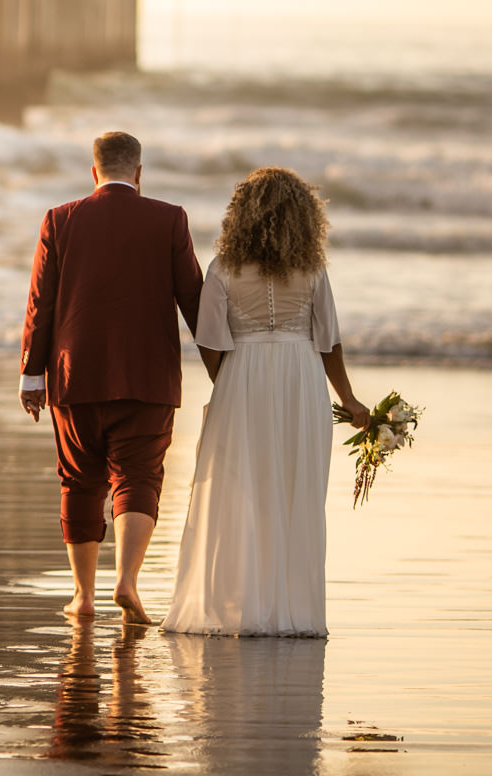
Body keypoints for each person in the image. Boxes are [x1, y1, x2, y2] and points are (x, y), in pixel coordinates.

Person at [162, 167, 370, 638]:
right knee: (296, 489)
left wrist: (230, 384)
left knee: (240, 490)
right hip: (301, 378)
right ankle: (290, 611)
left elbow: (210, 342)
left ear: (242, 216)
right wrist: (350, 400)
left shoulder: (222, 268)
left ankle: (241, 606)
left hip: (243, 376)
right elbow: (328, 343)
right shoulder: (312, 269)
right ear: (303, 218)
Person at [20, 132, 203, 625]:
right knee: (138, 477)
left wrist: (30, 375)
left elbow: (42, 302)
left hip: (75, 376)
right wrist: (226, 370)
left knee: (79, 480)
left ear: (94, 172)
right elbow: (196, 302)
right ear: (139, 174)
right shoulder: (170, 219)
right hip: (148, 378)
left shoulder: (60, 219)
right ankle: (127, 582)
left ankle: (82, 596)